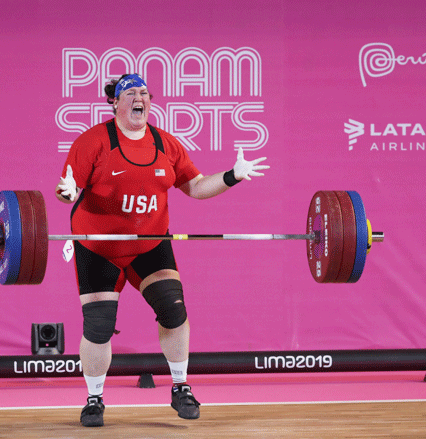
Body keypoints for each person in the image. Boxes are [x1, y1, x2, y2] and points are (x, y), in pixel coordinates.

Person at [55, 73, 269, 427]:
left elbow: (197, 187)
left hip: (150, 244)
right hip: (97, 247)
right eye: (131, 93)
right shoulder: (93, 141)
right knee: (98, 324)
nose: (140, 98)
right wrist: (65, 191)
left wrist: (232, 175)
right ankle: (94, 399)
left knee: (173, 306)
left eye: (145, 93)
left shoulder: (166, 145)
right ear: (115, 102)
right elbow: (68, 190)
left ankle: (180, 386)